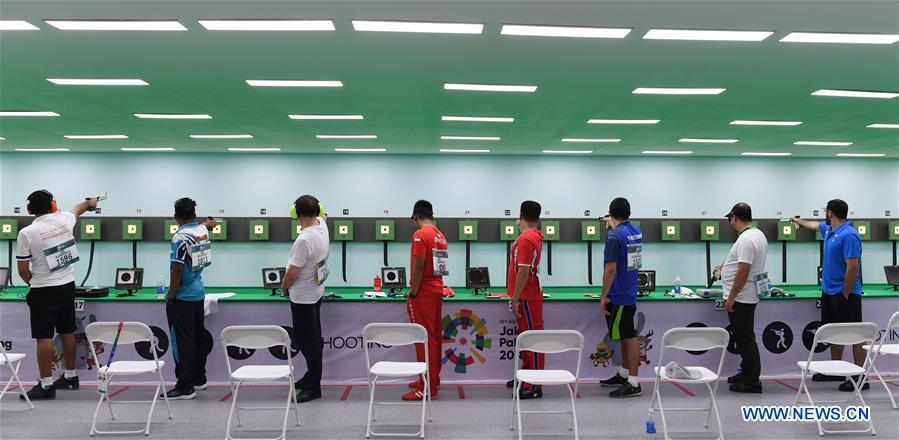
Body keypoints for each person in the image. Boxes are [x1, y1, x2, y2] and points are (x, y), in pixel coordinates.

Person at [16, 190, 101, 400]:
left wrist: (33, 282)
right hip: (67, 286)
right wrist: (90, 202)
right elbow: (78, 208)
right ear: (53, 206)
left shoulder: (27, 233)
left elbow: (22, 270)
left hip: (43, 290)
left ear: (29, 210)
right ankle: (71, 377)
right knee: (67, 331)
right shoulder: (64, 220)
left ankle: (46, 385)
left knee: (44, 336)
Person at [792, 199, 866, 392]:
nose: (825, 214)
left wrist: (845, 293)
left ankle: (860, 377)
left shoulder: (849, 235)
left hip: (846, 294)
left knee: (856, 335)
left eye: (826, 211)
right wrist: (798, 221)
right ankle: (836, 370)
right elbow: (813, 225)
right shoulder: (829, 230)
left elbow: (852, 268)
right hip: (829, 292)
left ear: (830, 213)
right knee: (834, 332)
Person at [163, 198, 217, 400]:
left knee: (182, 342)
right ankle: (199, 378)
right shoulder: (201, 232)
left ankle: (185, 386)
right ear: (194, 214)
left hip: (183, 297)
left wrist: (171, 294)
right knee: (197, 338)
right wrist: (209, 223)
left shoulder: (179, 237)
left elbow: (177, 268)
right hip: (198, 293)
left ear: (175, 217)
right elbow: (205, 226)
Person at [281, 195, 329, 403]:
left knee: (308, 343)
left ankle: (314, 386)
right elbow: (325, 215)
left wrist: (284, 286)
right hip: (315, 293)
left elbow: (293, 273)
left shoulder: (304, 240)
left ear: (296, 213)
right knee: (313, 339)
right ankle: (311, 376)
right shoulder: (322, 225)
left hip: (302, 298)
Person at [717, 203, 767, 393]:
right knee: (743, 337)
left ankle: (752, 380)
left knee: (745, 339)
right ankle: (746, 372)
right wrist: (723, 268)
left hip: (741, 297)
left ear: (735, 218)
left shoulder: (746, 239)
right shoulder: (756, 234)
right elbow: (739, 263)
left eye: (730, 218)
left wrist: (731, 297)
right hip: (746, 295)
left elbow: (743, 271)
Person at [598, 197, 644, 398]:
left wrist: (603, 295)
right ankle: (625, 374)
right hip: (630, 291)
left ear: (610, 213)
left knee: (629, 337)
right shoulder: (635, 231)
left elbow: (611, 269)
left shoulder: (614, 236)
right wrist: (613, 223)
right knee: (626, 336)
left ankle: (633, 382)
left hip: (618, 295)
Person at [403, 200, 448, 401]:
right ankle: (432, 380)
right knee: (434, 338)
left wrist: (413, 291)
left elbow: (419, 266)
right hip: (436, 290)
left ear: (415, 216)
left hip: (423, 293)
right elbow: (440, 268)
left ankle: (427, 387)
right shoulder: (440, 235)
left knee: (424, 339)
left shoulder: (420, 235)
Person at [506, 200, 545, 400]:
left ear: (520, 215)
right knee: (526, 339)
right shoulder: (533, 236)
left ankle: (535, 384)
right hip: (526, 294)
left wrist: (515, 298)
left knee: (532, 340)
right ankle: (526, 376)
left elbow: (522, 271)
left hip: (527, 295)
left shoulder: (526, 238)